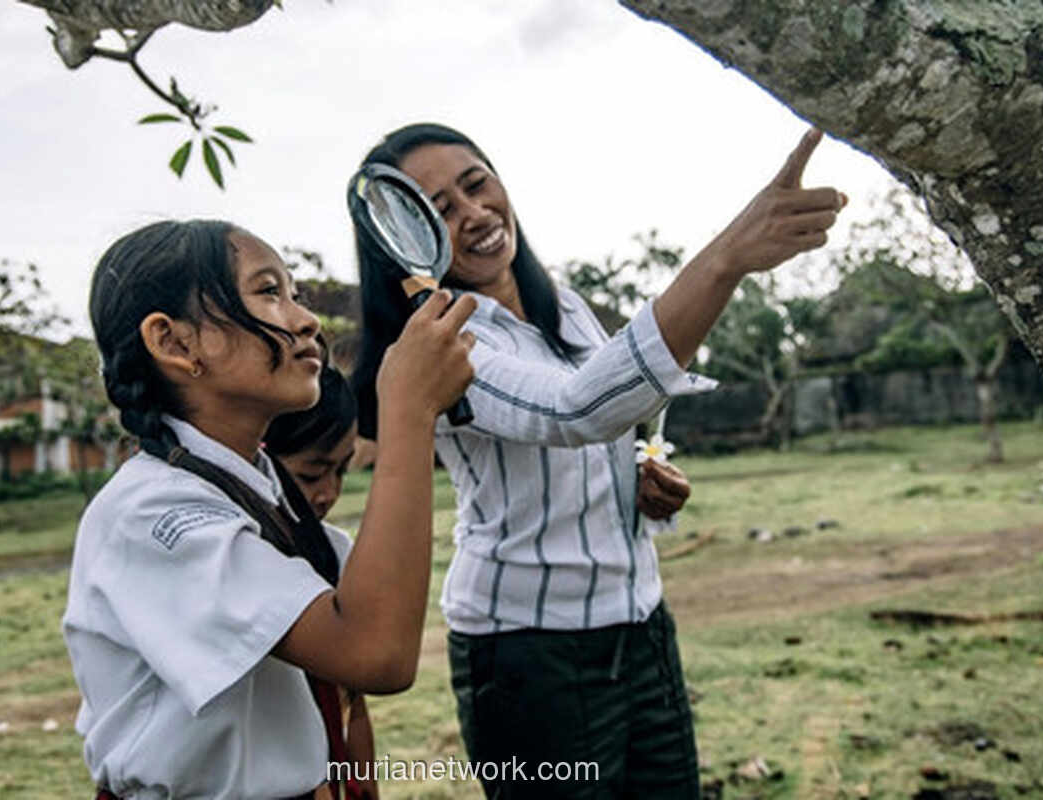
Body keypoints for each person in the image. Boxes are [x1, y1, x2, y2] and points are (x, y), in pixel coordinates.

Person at [350, 123, 844, 798]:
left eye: (475, 184)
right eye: (440, 210)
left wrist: (648, 476)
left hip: (641, 623)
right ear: (404, 240)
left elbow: (630, 410)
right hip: (529, 654)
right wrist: (727, 256)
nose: (474, 215)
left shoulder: (568, 309)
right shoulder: (444, 342)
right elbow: (576, 409)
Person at [63, 219, 476, 799]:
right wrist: (410, 411)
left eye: (295, 293)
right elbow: (376, 653)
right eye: (267, 293)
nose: (305, 320)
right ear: (174, 343)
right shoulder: (152, 515)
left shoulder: (266, 496)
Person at [264, 364, 379, 800]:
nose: (329, 492)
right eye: (312, 474)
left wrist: (362, 775)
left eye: (341, 472)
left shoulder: (335, 552)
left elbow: (355, 701)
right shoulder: (244, 556)